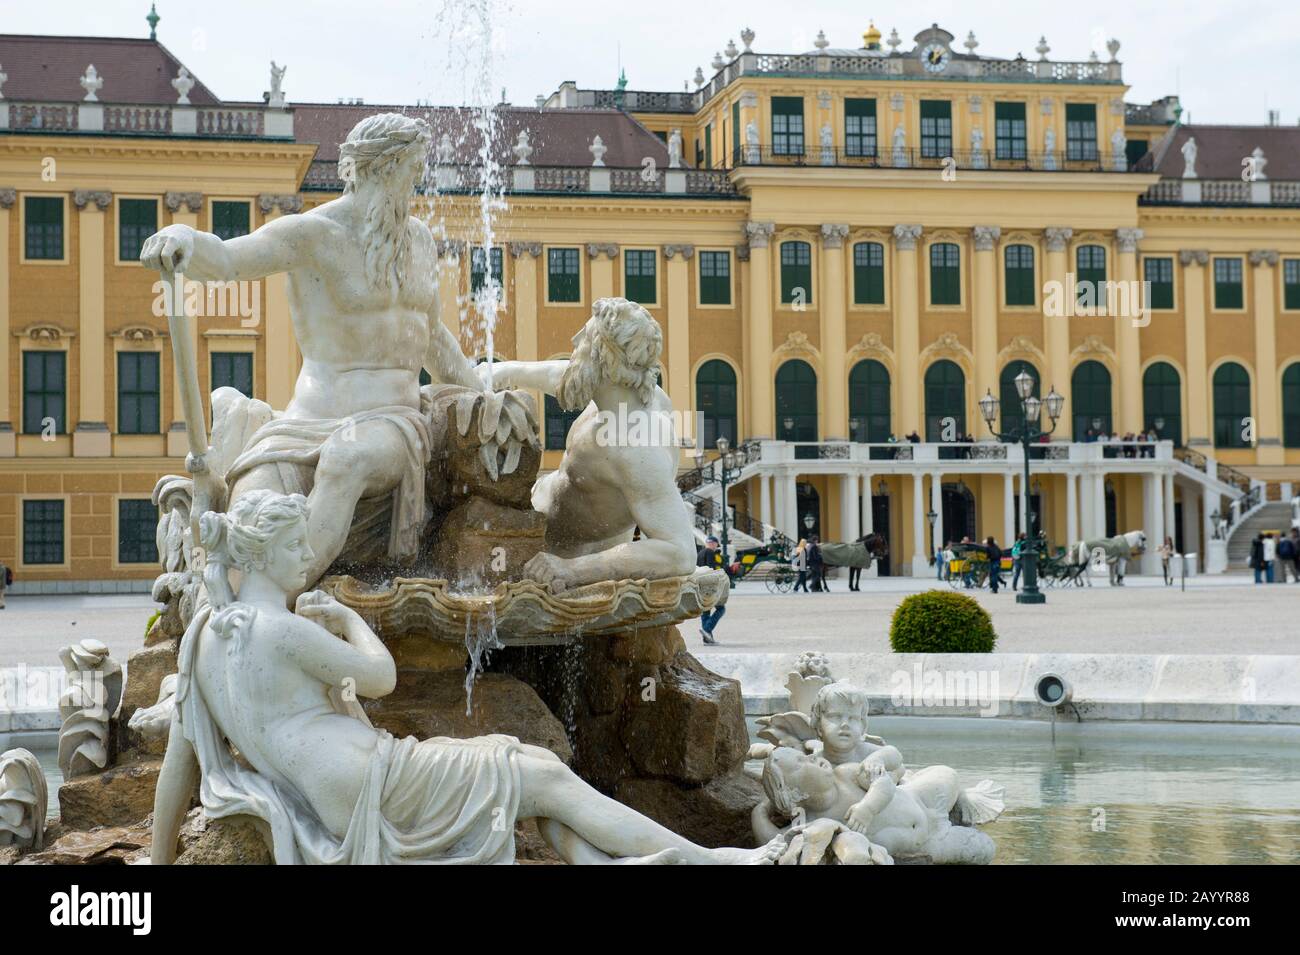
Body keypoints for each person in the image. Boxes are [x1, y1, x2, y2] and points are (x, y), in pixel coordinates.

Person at [150, 490, 781, 865]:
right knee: (538, 772)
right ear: (260, 552)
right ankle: (713, 860)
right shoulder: (281, 630)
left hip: (348, 790)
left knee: (533, 788)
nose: (306, 559)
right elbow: (380, 677)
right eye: (296, 548)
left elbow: (180, 765)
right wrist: (346, 618)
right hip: (374, 784)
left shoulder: (207, 636)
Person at [696, 536, 726, 645]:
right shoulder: (710, 553)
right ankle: (707, 630)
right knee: (721, 609)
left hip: (700, 585)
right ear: (714, 544)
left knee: (705, 612)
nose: (715, 547)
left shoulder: (700, 553)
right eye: (716, 545)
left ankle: (707, 639)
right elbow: (711, 569)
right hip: (709, 586)